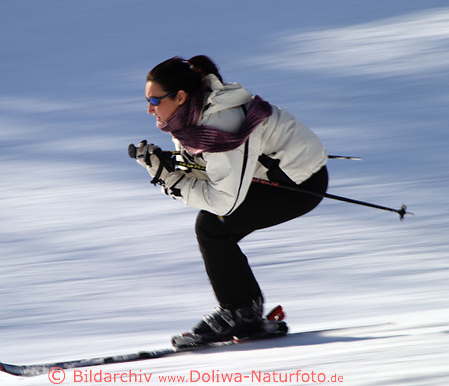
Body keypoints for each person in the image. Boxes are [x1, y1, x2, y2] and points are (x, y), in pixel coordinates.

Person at [131, 55, 328, 346]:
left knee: (212, 226)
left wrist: (170, 180)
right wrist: (170, 168)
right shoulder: (191, 114)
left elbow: (224, 201)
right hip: (273, 176)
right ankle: (243, 311)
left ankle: (239, 312)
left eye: (155, 101)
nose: (149, 109)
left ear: (181, 96)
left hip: (300, 184)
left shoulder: (219, 124)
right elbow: (210, 170)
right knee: (215, 228)